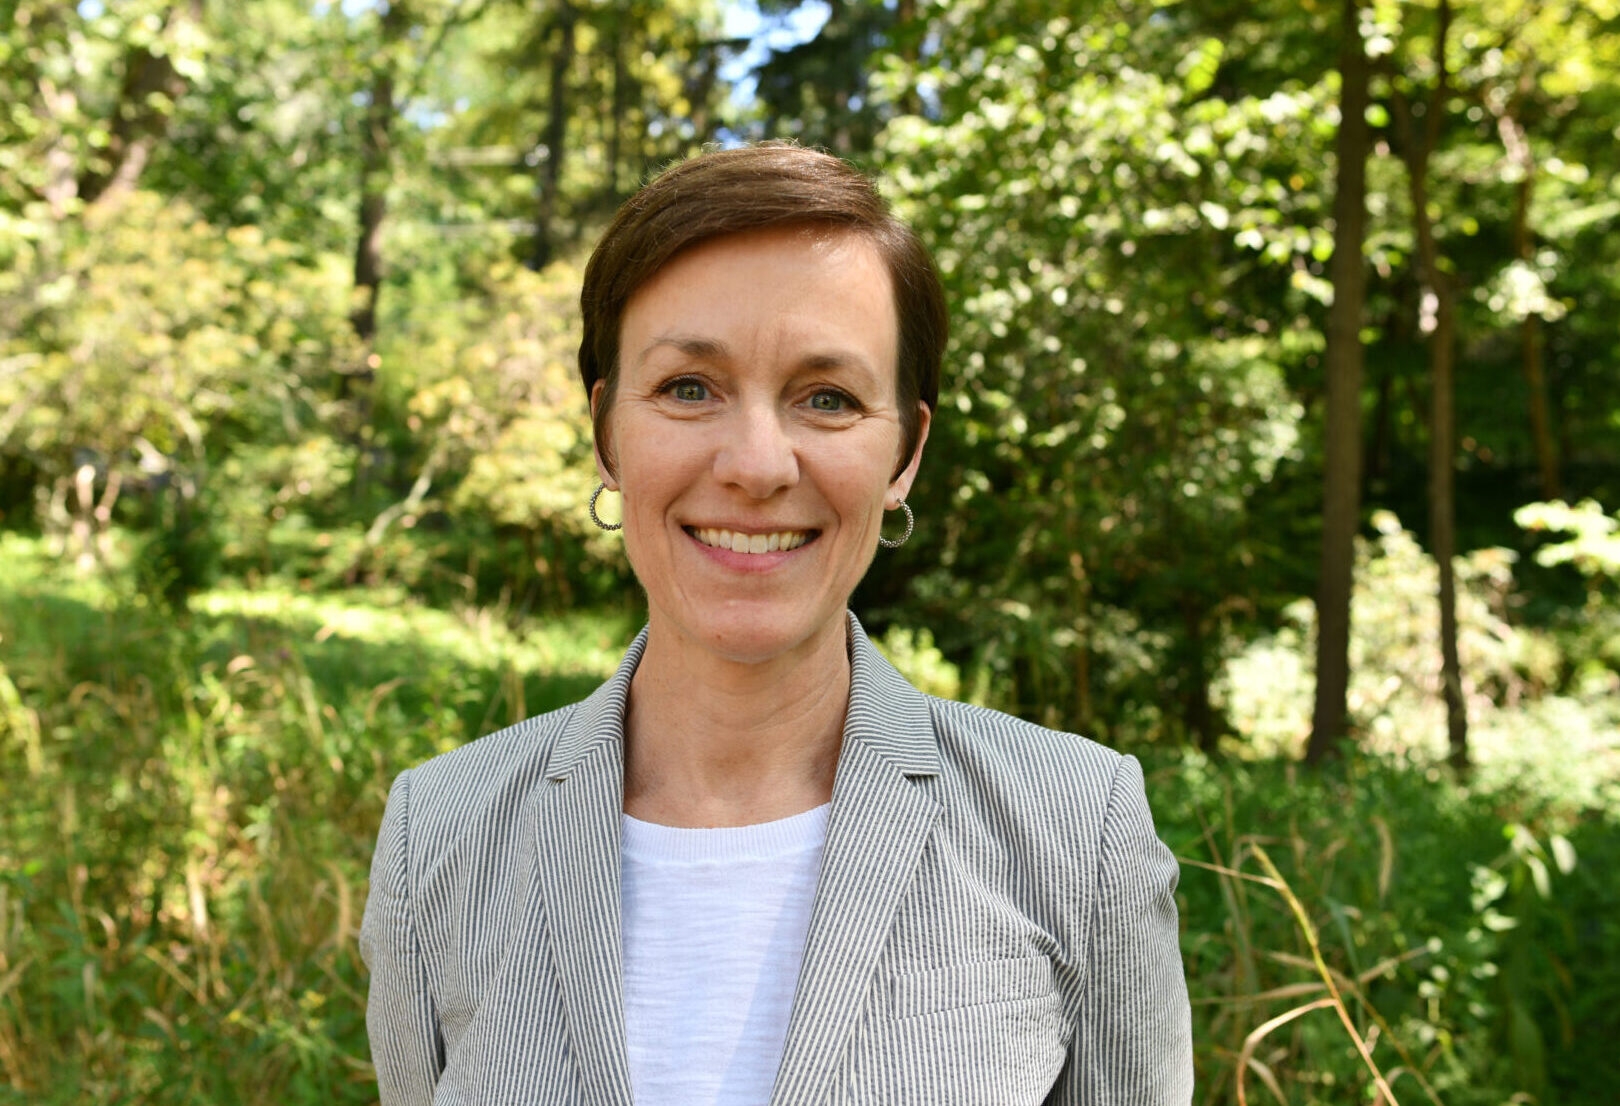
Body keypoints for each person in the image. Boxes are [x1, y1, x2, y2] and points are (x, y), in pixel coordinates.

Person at [359, 142, 1193, 1106]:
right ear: (606, 434)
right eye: (688, 389)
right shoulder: (443, 839)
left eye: (827, 399)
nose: (757, 465)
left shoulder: (1073, 830)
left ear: (906, 454)